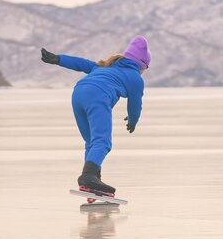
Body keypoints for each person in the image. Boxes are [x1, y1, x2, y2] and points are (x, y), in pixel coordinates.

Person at [40, 36, 150, 202]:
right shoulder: (135, 78)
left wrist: (58, 59)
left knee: (92, 142)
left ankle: (92, 183)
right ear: (142, 65)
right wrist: (133, 121)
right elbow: (135, 105)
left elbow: (81, 63)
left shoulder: (105, 66)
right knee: (103, 142)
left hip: (78, 94)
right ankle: (88, 178)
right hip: (98, 96)